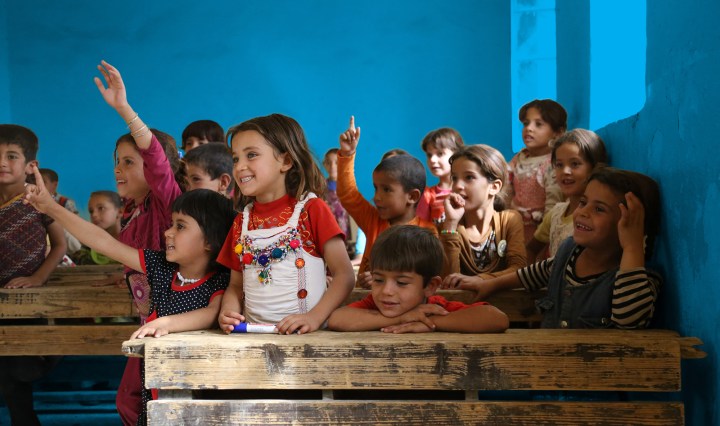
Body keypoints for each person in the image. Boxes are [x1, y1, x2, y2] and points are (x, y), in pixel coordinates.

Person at [24, 172, 236, 425]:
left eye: (180, 226)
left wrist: (165, 323)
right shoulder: (160, 267)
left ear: (210, 241)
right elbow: (103, 242)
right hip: (156, 391)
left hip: (200, 398)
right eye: (171, 224)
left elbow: (211, 313)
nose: (168, 232)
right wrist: (50, 207)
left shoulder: (220, 280)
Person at [453, 167, 662, 329]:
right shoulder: (570, 252)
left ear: (632, 226)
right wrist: (491, 284)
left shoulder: (638, 281)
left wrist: (632, 246)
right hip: (548, 368)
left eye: (599, 209)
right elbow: (538, 272)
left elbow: (629, 321)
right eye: (583, 202)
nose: (582, 212)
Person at [94, 60, 182, 425]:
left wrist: (124, 109)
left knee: (153, 402)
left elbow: (157, 161)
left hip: (175, 321)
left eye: (130, 161)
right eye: (117, 161)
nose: (118, 168)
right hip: (148, 322)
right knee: (131, 401)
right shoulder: (133, 212)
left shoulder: (169, 204)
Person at [216, 113, 354, 335]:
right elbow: (235, 286)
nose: (240, 166)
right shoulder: (241, 222)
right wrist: (229, 311)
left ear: (286, 161)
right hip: (253, 341)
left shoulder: (312, 210)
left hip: (308, 341)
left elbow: (344, 276)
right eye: (235, 159)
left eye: (251, 155)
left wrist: (314, 318)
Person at [0, 124, 67, 426]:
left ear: (30, 165)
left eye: (11, 156)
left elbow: (61, 244)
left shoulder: (38, 200)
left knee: (17, 366)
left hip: (28, 299)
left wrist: (38, 278)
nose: (2, 163)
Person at [328, 225, 509, 333]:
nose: (386, 291)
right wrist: (402, 319)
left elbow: (497, 319)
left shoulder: (434, 309)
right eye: (378, 280)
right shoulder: (372, 305)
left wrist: (430, 323)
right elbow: (337, 319)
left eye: (401, 283)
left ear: (430, 286)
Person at [336, 116, 438, 288]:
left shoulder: (428, 233)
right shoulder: (373, 220)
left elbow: (423, 280)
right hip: (367, 300)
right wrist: (347, 154)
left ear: (412, 196)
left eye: (387, 190)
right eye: (376, 188)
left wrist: (380, 280)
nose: (376, 197)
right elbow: (348, 194)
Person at [440, 145, 526, 289]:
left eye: (469, 177)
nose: (458, 185)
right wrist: (451, 225)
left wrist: (480, 280)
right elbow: (449, 283)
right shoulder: (449, 228)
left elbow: (518, 269)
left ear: (494, 187)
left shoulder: (509, 220)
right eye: (454, 178)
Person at [526, 129, 608, 263]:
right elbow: (531, 249)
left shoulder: (597, 218)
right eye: (559, 165)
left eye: (575, 164)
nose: (565, 171)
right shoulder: (555, 214)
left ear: (595, 168)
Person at [509, 99, 567, 243]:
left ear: (558, 132)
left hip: (539, 236)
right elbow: (504, 186)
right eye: (526, 123)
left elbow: (553, 205)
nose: (529, 128)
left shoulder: (553, 163)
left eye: (538, 124)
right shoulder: (519, 157)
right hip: (514, 231)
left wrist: (541, 239)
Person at [416, 128, 464, 226]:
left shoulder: (466, 191)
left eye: (440, 153)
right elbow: (421, 228)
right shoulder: (427, 195)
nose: (432, 160)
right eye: (429, 155)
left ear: (457, 155)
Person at [71, 190, 123, 265]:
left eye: (101, 208)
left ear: (120, 212)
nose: (94, 215)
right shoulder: (88, 249)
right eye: (91, 211)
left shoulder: (135, 244)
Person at [321, 148, 355, 258]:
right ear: (324, 164)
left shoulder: (349, 187)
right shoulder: (320, 188)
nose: (332, 166)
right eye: (329, 163)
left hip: (346, 235)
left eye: (336, 162)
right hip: (328, 233)